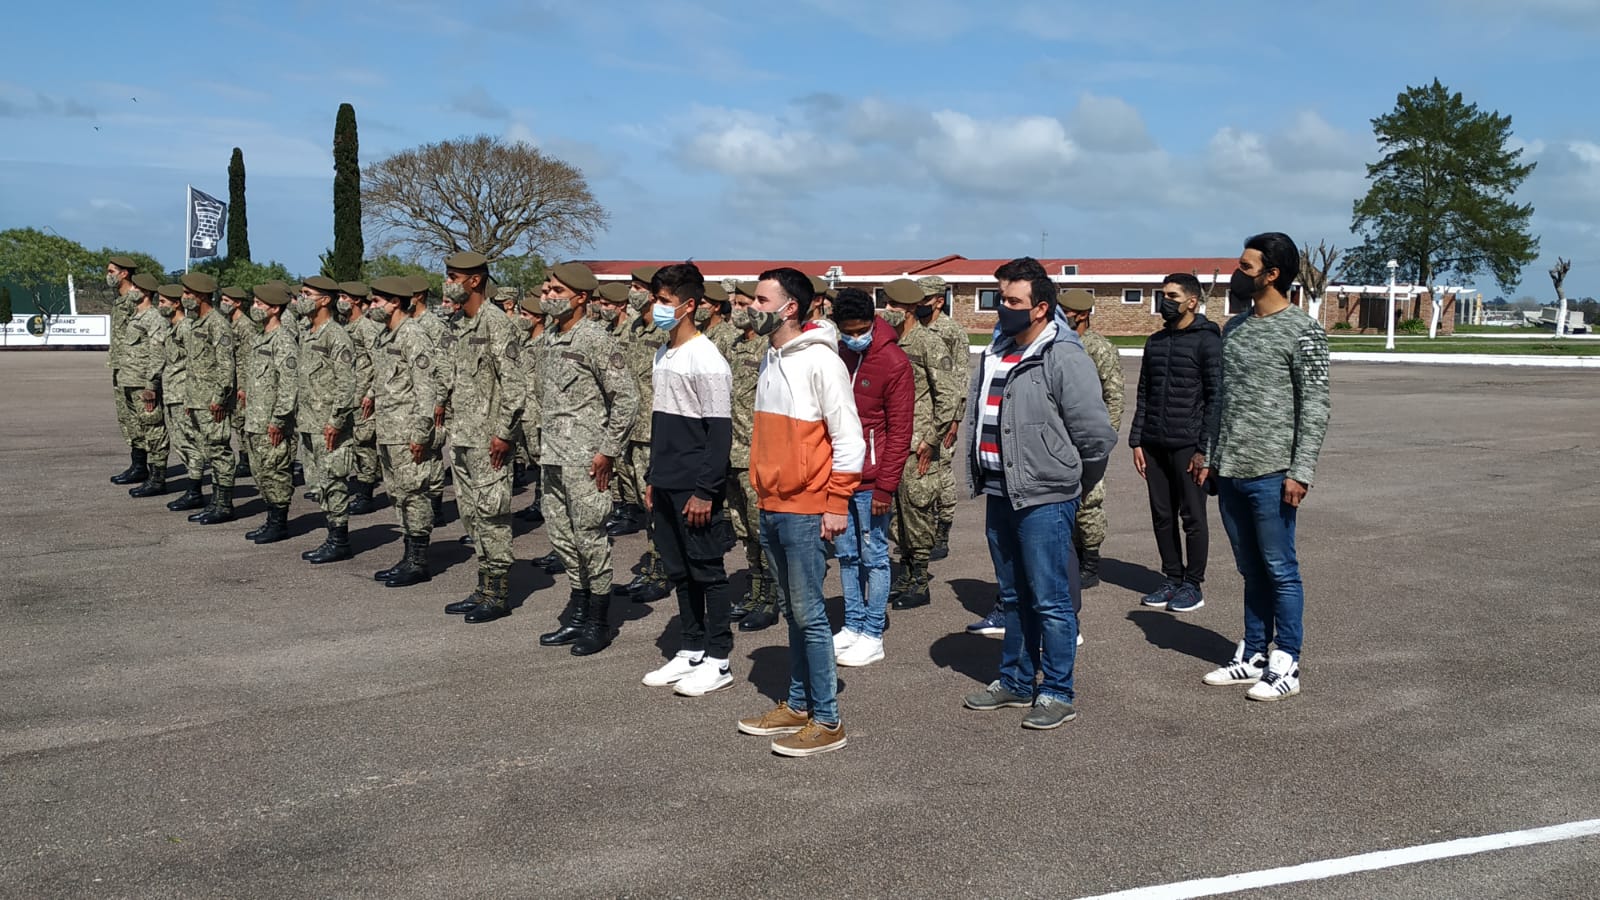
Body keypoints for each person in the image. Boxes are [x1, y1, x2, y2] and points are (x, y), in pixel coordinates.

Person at [961, 258, 1116, 731]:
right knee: (1013, 595)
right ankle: (1015, 680)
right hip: (1000, 489)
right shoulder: (997, 349)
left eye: (1012, 301)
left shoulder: (1063, 355)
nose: (1001, 309)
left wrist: (1068, 485)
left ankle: (1057, 691)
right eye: (1000, 299)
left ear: (1041, 308)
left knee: (1050, 599)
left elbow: (1094, 436)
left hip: (1045, 496)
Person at [735, 267, 863, 758]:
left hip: (807, 509)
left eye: (762, 300)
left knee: (809, 613)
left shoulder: (822, 363)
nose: (752, 307)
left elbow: (849, 441)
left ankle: (827, 720)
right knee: (792, 609)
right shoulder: (772, 357)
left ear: (790, 307)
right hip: (772, 503)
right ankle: (797, 703)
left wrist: (835, 503)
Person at [1197, 233, 1330, 702]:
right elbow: (1222, 402)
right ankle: (1253, 653)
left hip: (1274, 472)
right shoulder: (1234, 328)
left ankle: (1286, 661)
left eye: (1246, 267)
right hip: (1231, 470)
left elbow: (1315, 405)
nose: (1239, 273)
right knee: (1250, 568)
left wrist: (1301, 470)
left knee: (1280, 568)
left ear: (1272, 274)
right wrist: (1209, 455)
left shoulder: (1303, 330)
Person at [638, 263, 738, 696]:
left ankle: (718, 659)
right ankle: (690, 648)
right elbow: (662, 424)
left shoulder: (707, 358)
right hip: (666, 479)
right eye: (654, 299)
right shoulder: (665, 351)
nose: (655, 307)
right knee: (678, 570)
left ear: (689, 305)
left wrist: (705, 491)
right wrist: (652, 478)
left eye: (663, 300)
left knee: (707, 572)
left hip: (695, 486)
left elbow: (719, 433)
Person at [530, 262, 637, 654]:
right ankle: (577, 612)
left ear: (581, 297)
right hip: (553, 456)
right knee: (562, 537)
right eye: (547, 289)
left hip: (586, 459)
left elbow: (626, 398)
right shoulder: (549, 338)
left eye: (557, 291)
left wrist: (608, 450)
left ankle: (598, 620)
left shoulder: (595, 338)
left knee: (590, 537)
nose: (548, 296)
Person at [434, 252, 528, 623]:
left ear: (475, 281)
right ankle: (483, 584)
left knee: (493, 514)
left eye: (454, 276)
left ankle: (499, 592)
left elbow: (515, 386)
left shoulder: (497, 324)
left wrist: (504, 433)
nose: (448, 283)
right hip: (463, 437)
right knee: (471, 515)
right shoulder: (457, 324)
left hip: (490, 441)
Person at [828, 287, 913, 668]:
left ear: (873, 321)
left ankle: (873, 632)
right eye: (848, 330)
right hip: (840, 476)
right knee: (846, 556)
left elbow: (900, 431)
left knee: (875, 556)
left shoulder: (893, 361)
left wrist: (886, 485)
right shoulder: (837, 353)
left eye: (861, 329)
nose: (854, 336)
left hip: (872, 481)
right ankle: (852, 624)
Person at [1130, 273, 1221, 613]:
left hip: (1189, 444)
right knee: (1161, 515)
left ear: (1192, 302)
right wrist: (1137, 440)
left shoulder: (1208, 341)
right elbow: (1144, 394)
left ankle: (1192, 585)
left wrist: (1204, 450)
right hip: (1154, 442)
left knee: (1192, 516)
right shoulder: (1155, 342)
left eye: (1172, 295)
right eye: (1162, 294)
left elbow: (1216, 398)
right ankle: (1171, 577)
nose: (1164, 301)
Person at [880, 278, 959, 611]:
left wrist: (932, 438)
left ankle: (920, 579)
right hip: (893, 442)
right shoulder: (888, 343)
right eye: (887, 305)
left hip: (919, 444)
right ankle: (907, 572)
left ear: (911, 308)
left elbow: (949, 395)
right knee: (898, 517)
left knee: (918, 510)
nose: (888, 311)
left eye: (895, 307)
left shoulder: (928, 343)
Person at [365, 276, 442, 585]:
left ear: (394, 302)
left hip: (408, 431)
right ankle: (407, 554)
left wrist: (421, 433)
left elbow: (426, 390)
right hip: (388, 430)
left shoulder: (413, 335)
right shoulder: (387, 336)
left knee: (414, 494)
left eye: (375, 301)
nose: (371, 306)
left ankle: (419, 561)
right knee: (398, 495)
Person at [1059, 289, 1125, 590]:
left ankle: (1091, 561)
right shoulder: (1058, 343)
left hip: (1090, 438)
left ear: (1082, 314)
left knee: (1089, 501)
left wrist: (1104, 438)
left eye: (1067, 311)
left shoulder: (1098, 348)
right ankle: (1071, 555)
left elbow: (1114, 395)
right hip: (1061, 437)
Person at [293, 276, 359, 562]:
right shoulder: (308, 332)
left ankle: (339, 539)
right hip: (308, 421)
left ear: (324, 300)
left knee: (334, 481)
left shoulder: (336, 335)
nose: (302, 297)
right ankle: (331, 533)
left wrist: (337, 420)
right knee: (317, 482)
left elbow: (346, 383)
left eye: (307, 293)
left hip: (329, 424)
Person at [723, 281, 776, 631]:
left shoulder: (770, 351)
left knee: (763, 531)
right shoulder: (729, 346)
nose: (739, 310)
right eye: (736, 304)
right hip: (730, 455)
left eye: (746, 303)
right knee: (743, 529)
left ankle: (771, 597)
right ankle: (755, 588)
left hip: (758, 456)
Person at [238, 284, 299, 544]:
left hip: (272, 422)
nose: (254, 307)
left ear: (275, 309)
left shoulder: (282, 339)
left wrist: (279, 419)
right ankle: (270, 518)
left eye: (260, 304)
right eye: (254, 302)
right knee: (261, 472)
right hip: (255, 419)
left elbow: (289, 384)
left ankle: (279, 523)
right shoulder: (260, 337)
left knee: (276, 472)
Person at [179, 272, 239, 525]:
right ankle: (215, 501)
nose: (184, 299)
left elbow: (226, 366)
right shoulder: (195, 323)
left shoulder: (217, 324)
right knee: (207, 449)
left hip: (212, 402)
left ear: (202, 296)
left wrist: (219, 398)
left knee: (219, 450)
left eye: (188, 294)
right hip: (197, 398)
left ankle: (224, 505)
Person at [916, 275, 968, 561]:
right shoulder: (915, 329)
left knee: (943, 472)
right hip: (920, 415)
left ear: (939, 300)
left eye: (924, 300)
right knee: (921, 475)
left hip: (944, 415)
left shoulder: (951, 332)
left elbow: (960, 377)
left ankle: (942, 530)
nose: (919, 305)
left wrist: (955, 419)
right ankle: (922, 531)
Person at [155, 284, 207, 512]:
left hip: (183, 395)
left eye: (163, 301)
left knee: (190, 442)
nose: (160, 305)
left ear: (176, 304)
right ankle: (193, 488)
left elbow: (196, 365)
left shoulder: (186, 328)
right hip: (172, 394)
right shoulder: (171, 328)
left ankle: (195, 491)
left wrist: (190, 397)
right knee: (181, 443)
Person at [121, 273, 171, 498]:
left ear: (145, 292)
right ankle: (143, 470)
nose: (131, 290)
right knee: (139, 428)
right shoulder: (136, 316)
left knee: (153, 429)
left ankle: (158, 478)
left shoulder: (154, 318)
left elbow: (157, 353)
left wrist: (152, 384)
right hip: (130, 379)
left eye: (135, 287)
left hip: (144, 383)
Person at [340, 281, 382, 516]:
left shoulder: (367, 328)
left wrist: (372, 393)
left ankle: (366, 494)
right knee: (355, 444)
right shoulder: (348, 327)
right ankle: (359, 487)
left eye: (344, 296)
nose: (341, 301)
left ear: (355, 300)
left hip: (364, 395)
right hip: (350, 395)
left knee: (365, 444)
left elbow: (379, 363)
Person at [106, 255, 147, 485]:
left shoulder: (134, 300)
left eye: (112, 271)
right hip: (120, 366)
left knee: (142, 418)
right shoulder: (119, 300)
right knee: (127, 417)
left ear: (124, 274)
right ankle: (138, 464)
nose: (108, 275)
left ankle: (149, 467)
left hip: (135, 369)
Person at [219, 286, 256, 479]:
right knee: (236, 421)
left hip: (241, 382)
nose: (223, 304)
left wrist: (244, 386)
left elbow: (248, 359)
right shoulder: (229, 323)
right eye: (222, 300)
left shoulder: (245, 325)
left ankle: (247, 459)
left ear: (238, 303)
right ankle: (244, 456)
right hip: (232, 382)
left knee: (243, 422)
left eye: (227, 300)